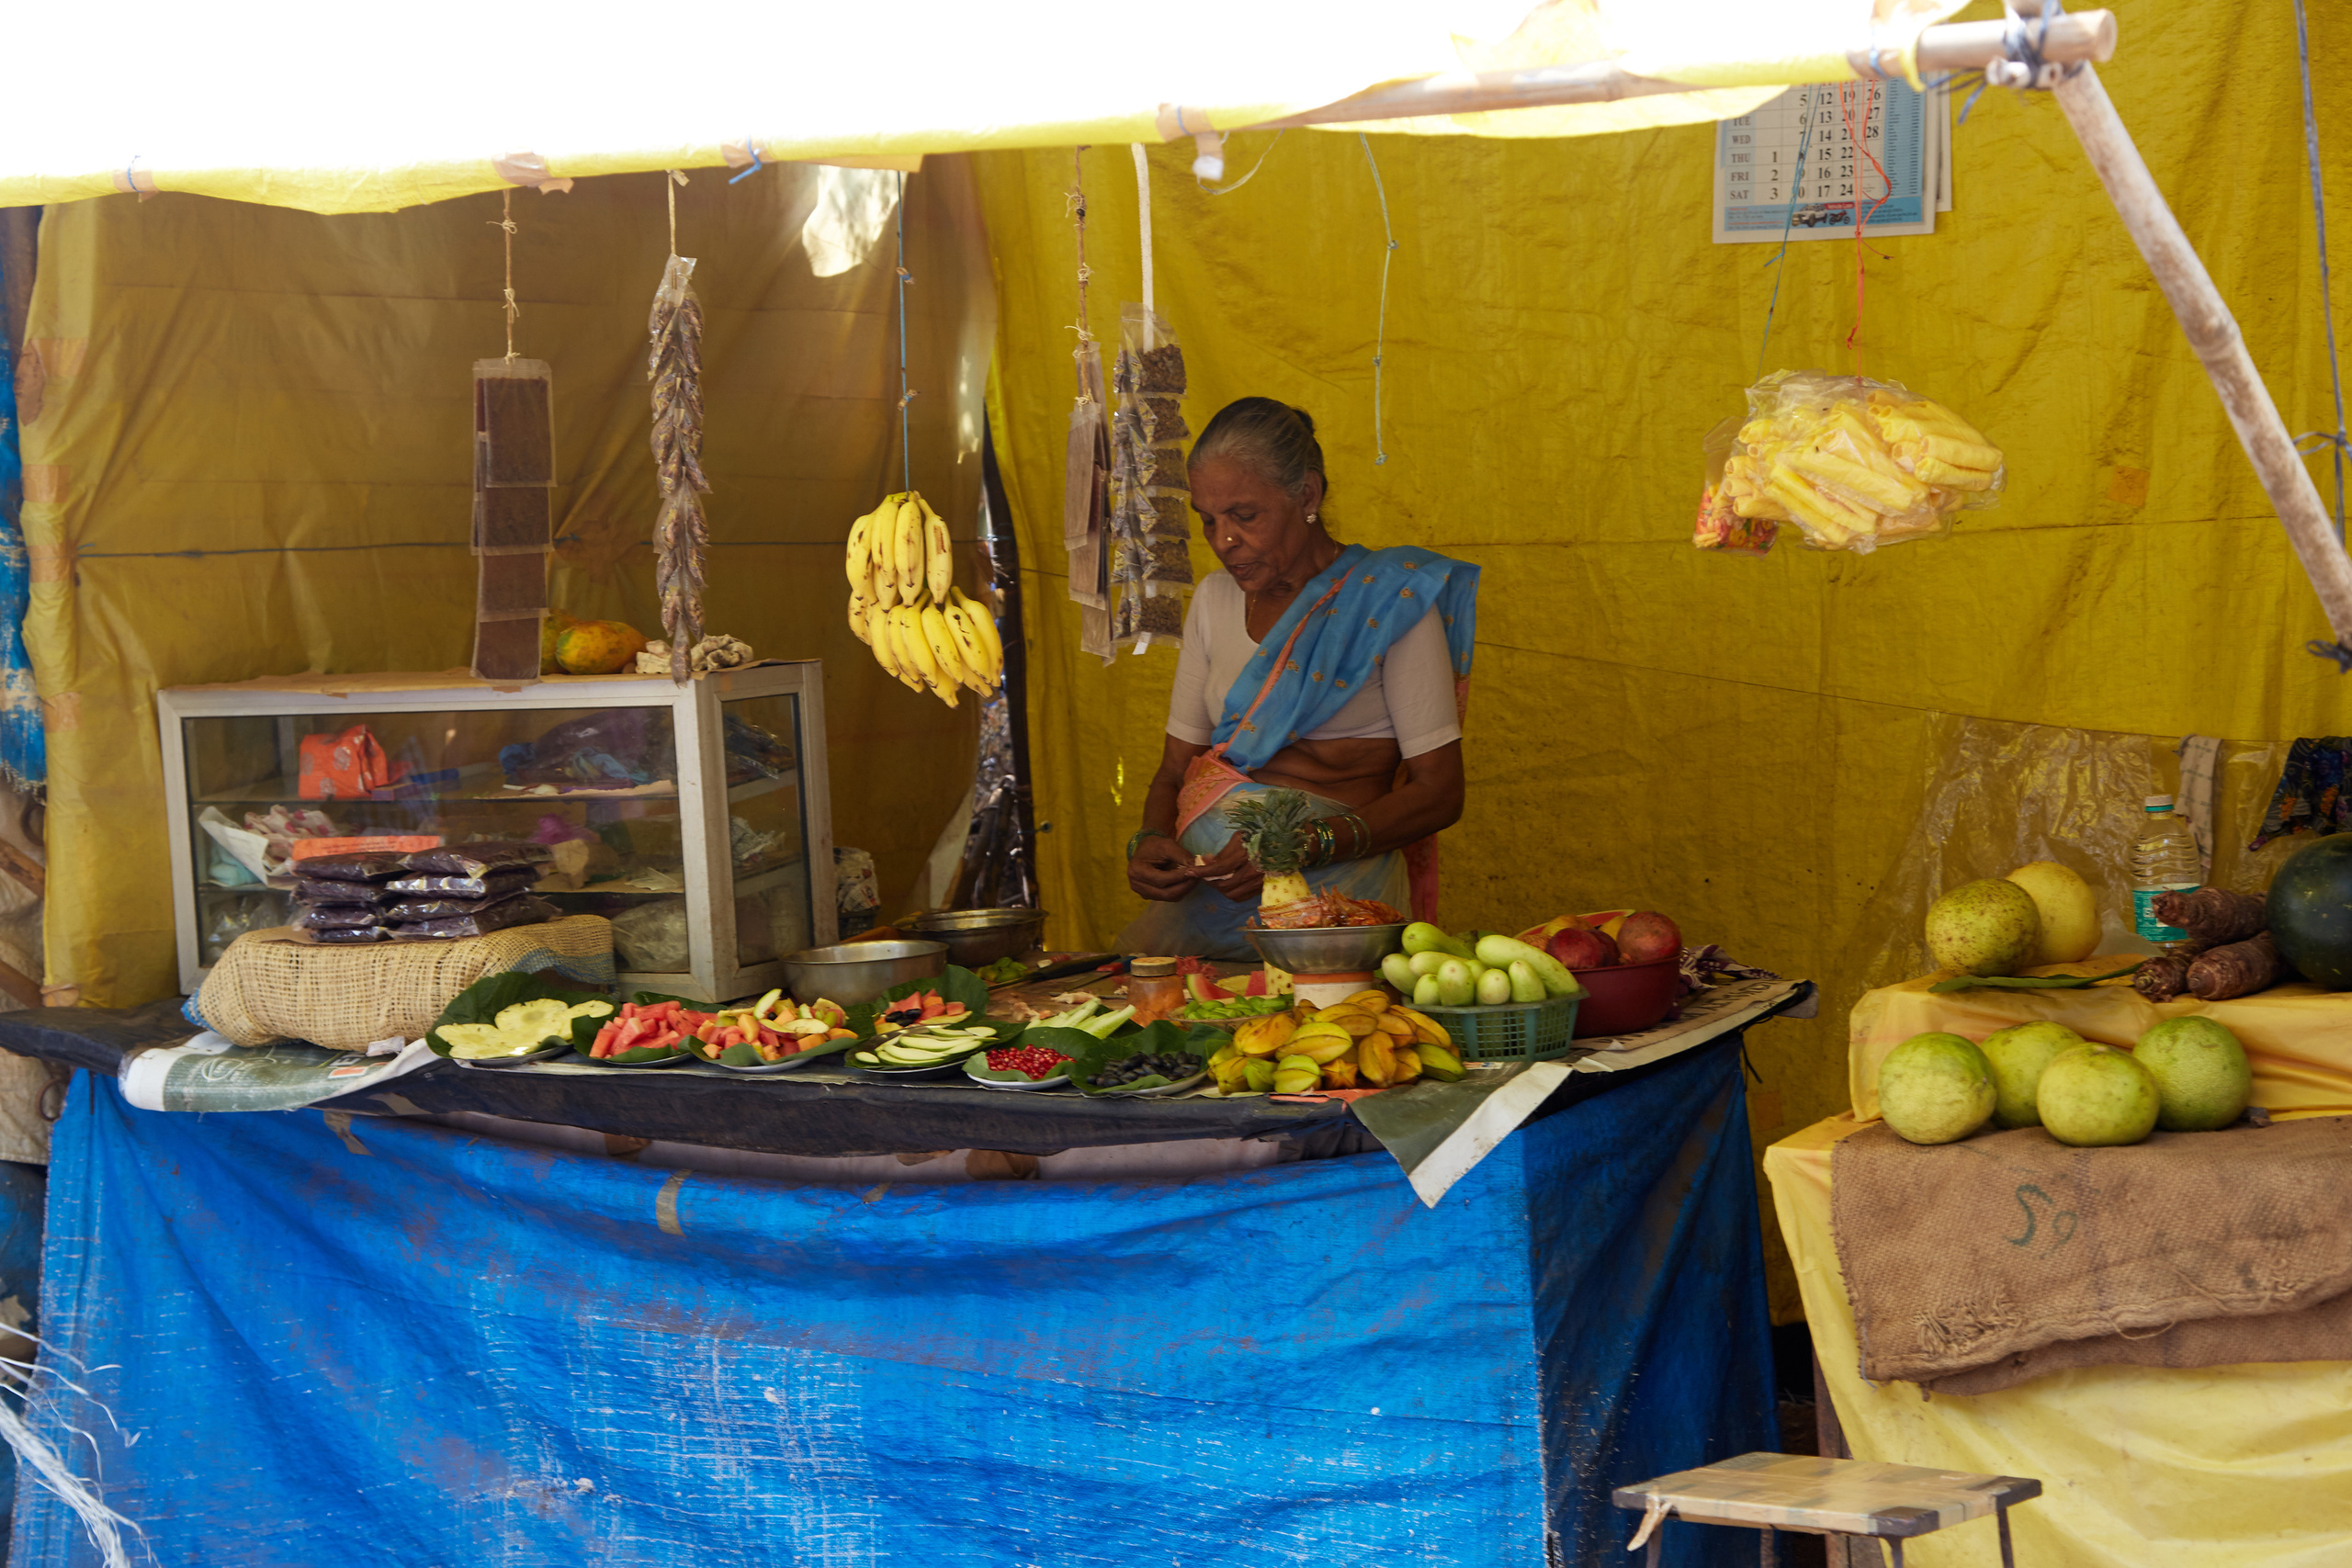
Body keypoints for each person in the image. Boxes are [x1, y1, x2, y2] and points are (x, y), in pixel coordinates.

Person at [1119, 397, 1478, 961]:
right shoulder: (1213, 601)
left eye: (1245, 514)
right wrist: (1148, 841)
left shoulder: (1390, 603)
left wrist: (1297, 846)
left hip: (1334, 911)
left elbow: (1439, 794)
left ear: (1306, 495)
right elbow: (1174, 770)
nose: (1222, 540)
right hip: (1205, 914)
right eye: (1207, 519)